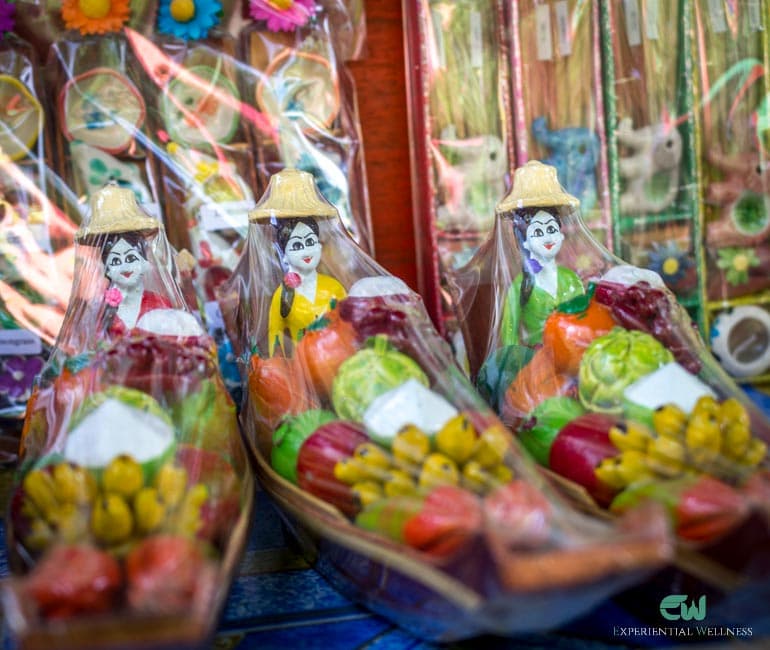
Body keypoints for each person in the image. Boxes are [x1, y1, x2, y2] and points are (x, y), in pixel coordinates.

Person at [499, 207, 584, 347]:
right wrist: (518, 360)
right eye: (538, 232)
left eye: (551, 229)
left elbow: (583, 319)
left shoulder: (571, 279)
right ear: (525, 242)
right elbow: (509, 331)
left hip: (573, 353)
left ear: (561, 235)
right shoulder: (520, 285)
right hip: (538, 357)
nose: (548, 238)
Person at [268, 216, 346, 355]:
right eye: (297, 245)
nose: (306, 251)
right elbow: (275, 336)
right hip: (305, 367)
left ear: (319, 246)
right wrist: (281, 366)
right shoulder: (282, 295)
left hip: (338, 359)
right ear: (284, 255)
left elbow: (349, 325)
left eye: (310, 242)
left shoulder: (334, 288)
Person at [101, 232, 171, 337]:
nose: (125, 267)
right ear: (107, 270)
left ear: (144, 263)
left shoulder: (160, 304)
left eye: (131, 259)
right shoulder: (100, 310)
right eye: (116, 261)